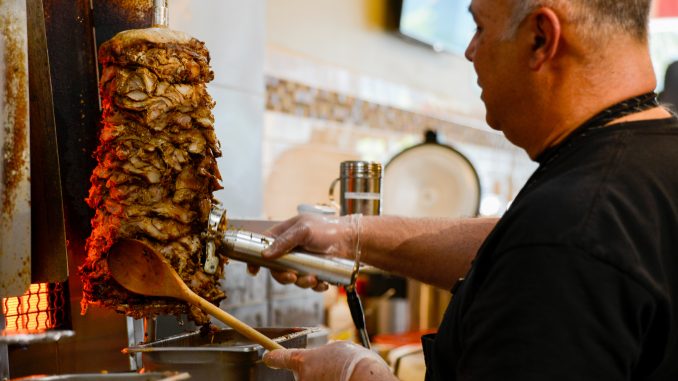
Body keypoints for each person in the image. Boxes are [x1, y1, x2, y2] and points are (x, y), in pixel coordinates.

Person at [258, 0, 678, 380]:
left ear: (541, 38)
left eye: (479, 27)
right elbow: (513, 247)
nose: (469, 50)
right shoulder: (646, 166)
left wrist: (359, 374)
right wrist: (348, 236)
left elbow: (552, 248)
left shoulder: (568, 228)